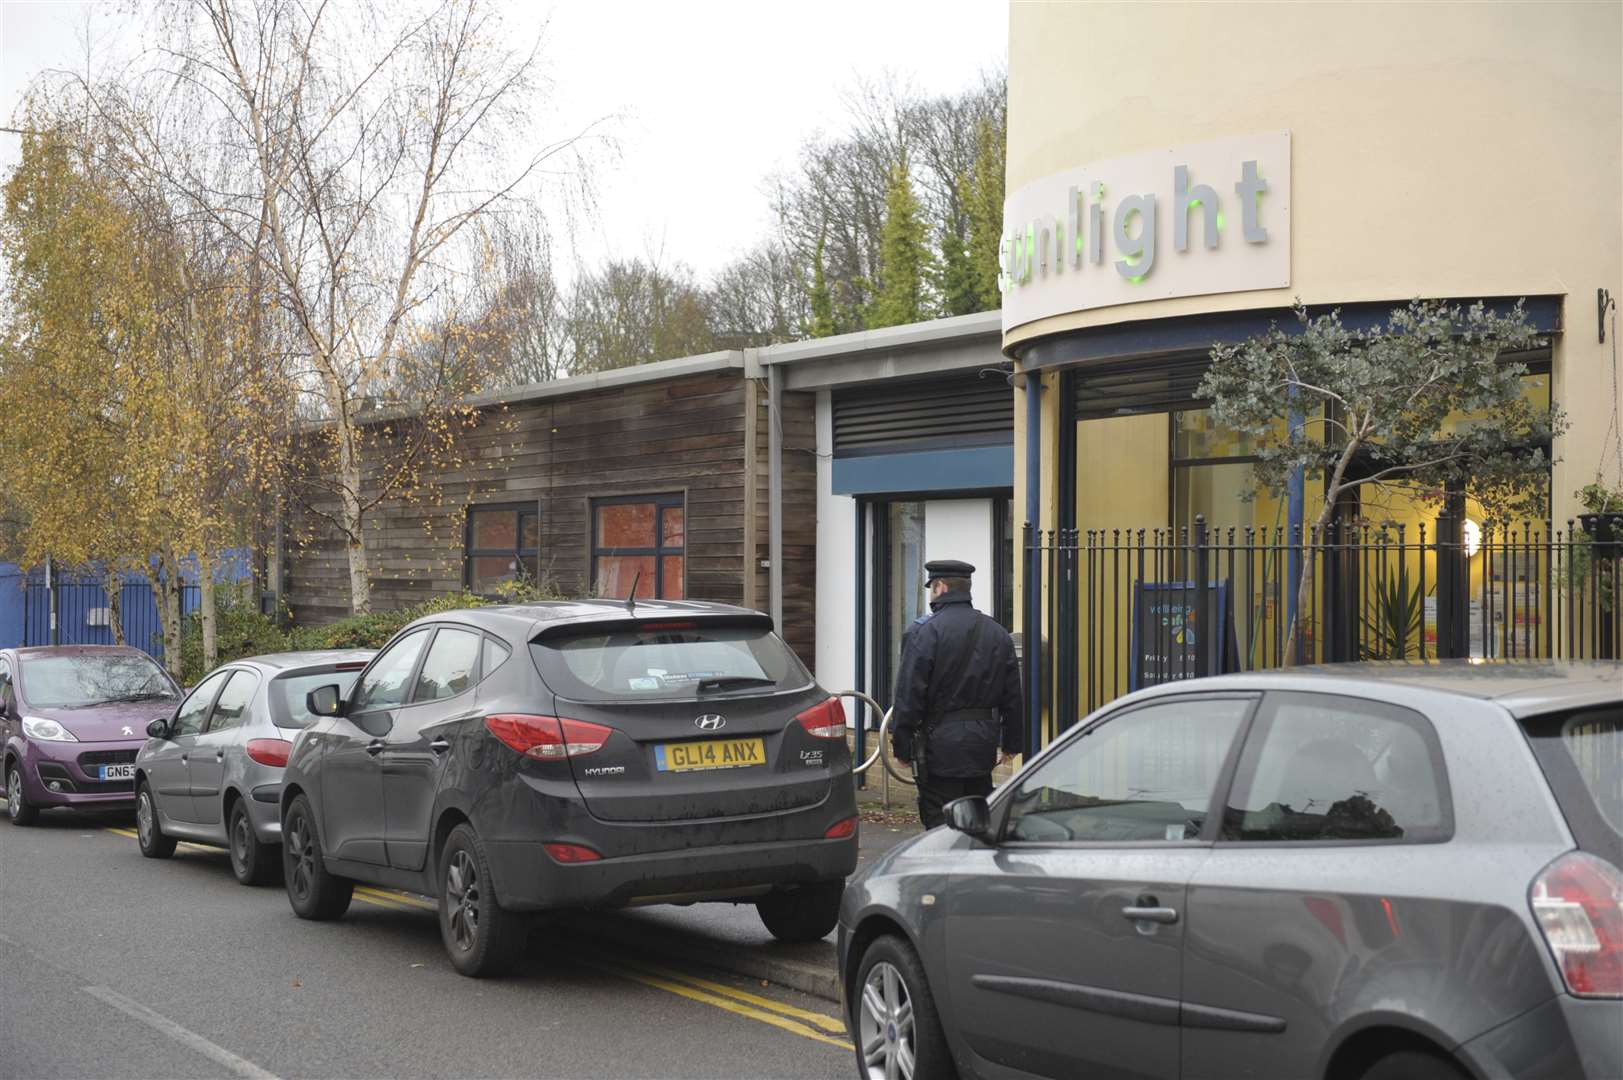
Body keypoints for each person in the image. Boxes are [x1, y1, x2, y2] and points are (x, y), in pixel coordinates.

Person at [890, 559, 1024, 829]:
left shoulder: (924, 632)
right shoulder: (997, 633)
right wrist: (1012, 742)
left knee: (941, 824)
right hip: (982, 744)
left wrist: (901, 745)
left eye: (931, 587)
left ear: (939, 587)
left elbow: (909, 695)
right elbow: (1012, 695)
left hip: (939, 747)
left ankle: (946, 869)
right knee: (978, 818)